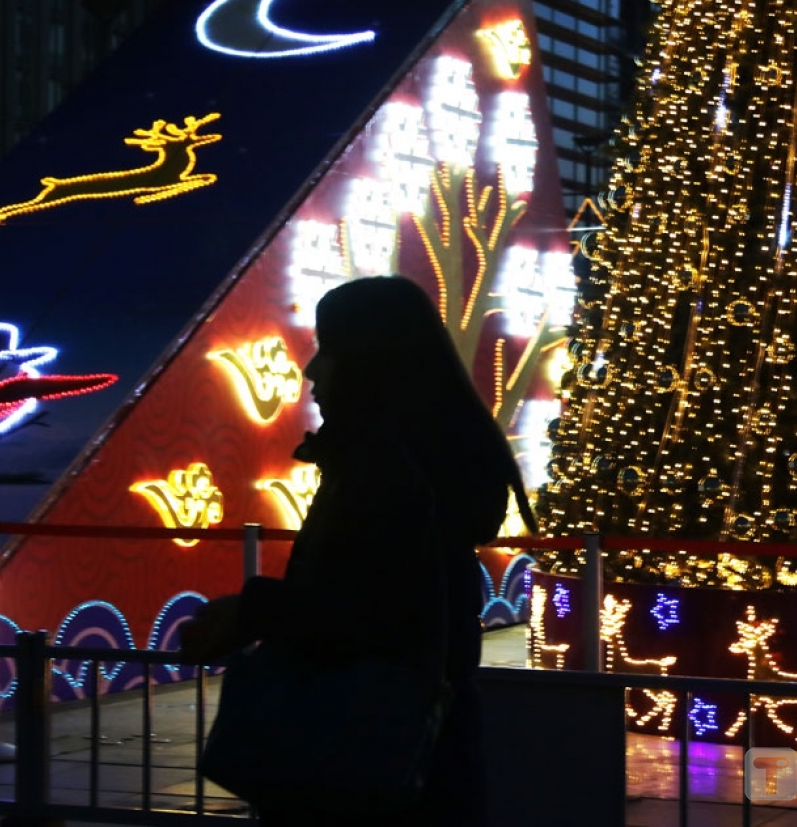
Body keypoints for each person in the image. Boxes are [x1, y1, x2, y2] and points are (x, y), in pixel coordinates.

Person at [180, 275, 533, 826]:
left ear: (372, 362)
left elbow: (369, 611)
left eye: (331, 349)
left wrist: (251, 611)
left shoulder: (386, 471)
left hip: (366, 766)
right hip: (416, 761)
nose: (312, 371)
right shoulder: (422, 466)